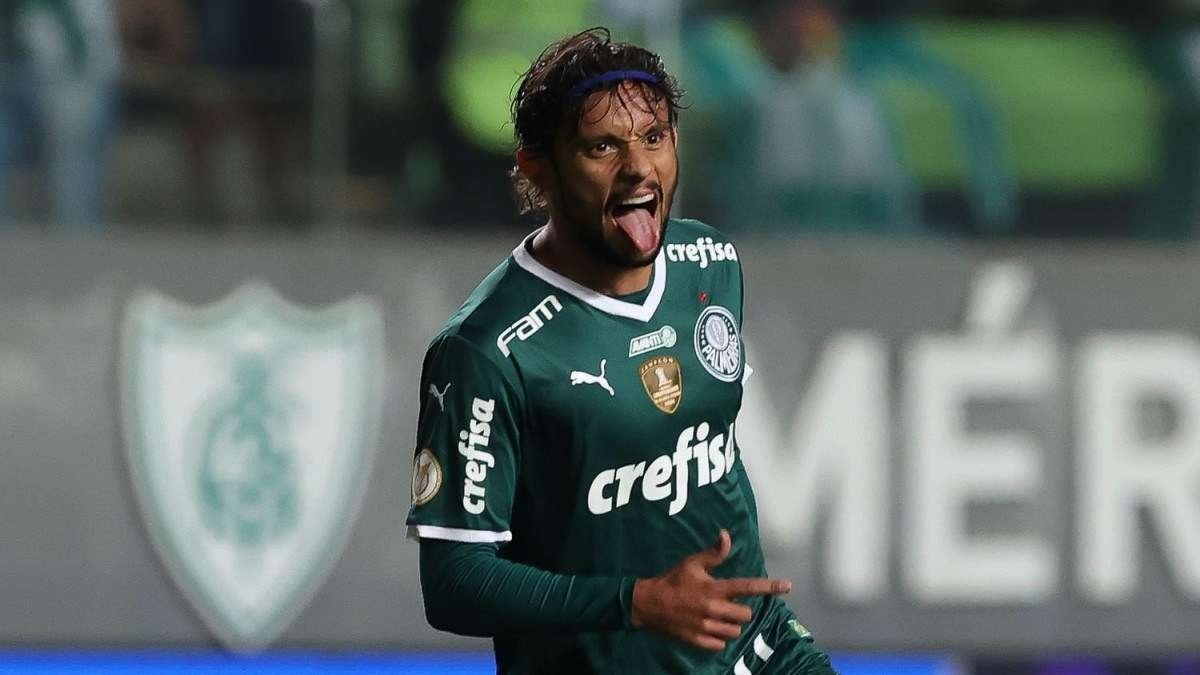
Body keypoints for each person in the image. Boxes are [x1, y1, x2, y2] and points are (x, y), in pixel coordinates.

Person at [405, 28, 838, 674]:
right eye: (602, 146)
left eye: (654, 137)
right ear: (537, 171)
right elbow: (453, 580)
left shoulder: (708, 263)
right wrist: (633, 601)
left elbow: (711, 448)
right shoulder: (486, 351)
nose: (638, 167)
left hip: (755, 651)